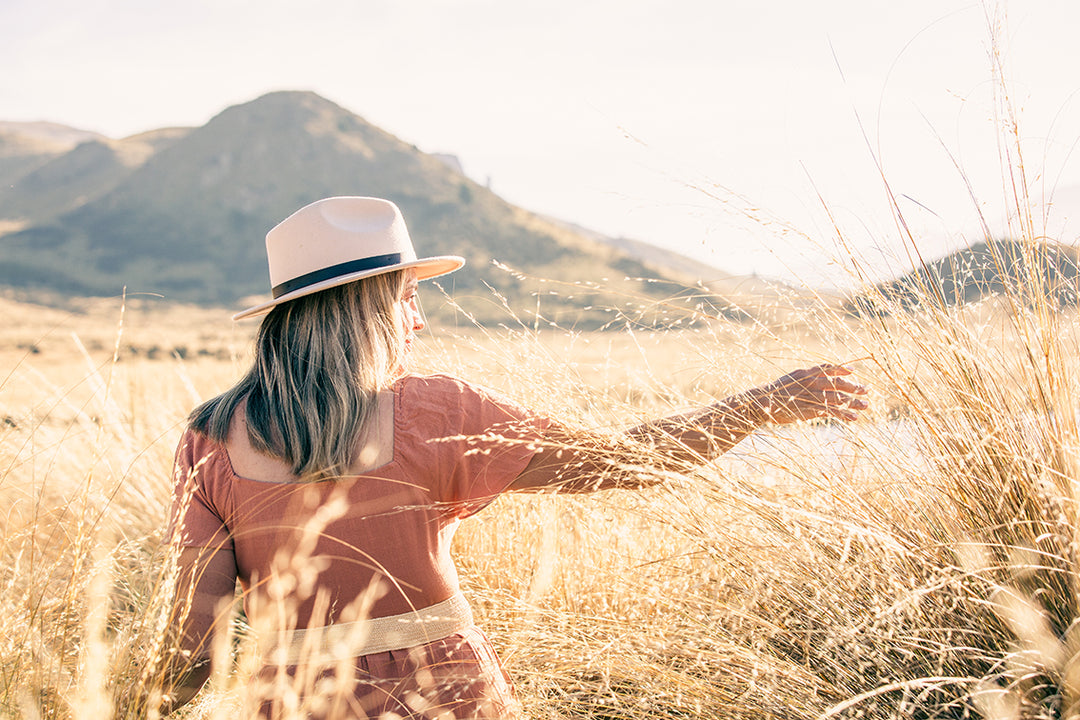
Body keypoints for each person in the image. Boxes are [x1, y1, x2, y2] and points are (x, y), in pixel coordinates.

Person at [161, 196, 868, 719]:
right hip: (444, 697)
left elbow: (195, 636)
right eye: (408, 299)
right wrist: (759, 406)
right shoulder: (436, 411)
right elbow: (626, 462)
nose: (420, 318)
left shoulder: (210, 439)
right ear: (367, 309)